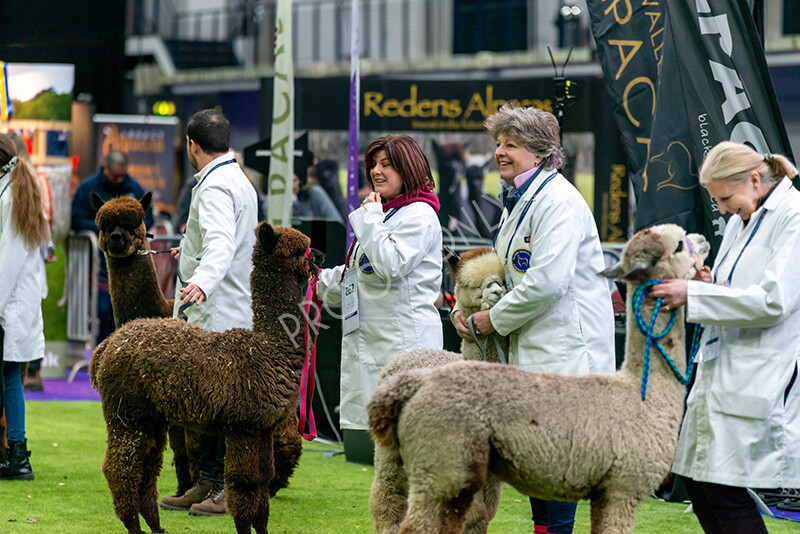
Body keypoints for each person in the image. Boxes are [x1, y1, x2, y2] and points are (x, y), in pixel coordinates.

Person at [452, 104, 615, 534]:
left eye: (512, 144)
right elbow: (505, 272)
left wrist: (492, 320)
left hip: (564, 350)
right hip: (536, 347)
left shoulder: (557, 201)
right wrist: (466, 306)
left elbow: (547, 283)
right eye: (499, 144)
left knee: (558, 463)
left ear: (541, 152)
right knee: (539, 462)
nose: (500, 152)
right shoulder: (521, 198)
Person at [650, 141, 800, 534]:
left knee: (723, 490)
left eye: (725, 197)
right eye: (715, 199)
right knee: (699, 487)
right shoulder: (739, 219)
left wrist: (695, 294)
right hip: (721, 364)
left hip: (761, 368)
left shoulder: (793, 217)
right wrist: (709, 281)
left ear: (754, 179)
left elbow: (773, 300)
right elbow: (737, 285)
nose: (720, 209)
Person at [316, 134, 443, 455]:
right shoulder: (386, 213)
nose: (376, 171)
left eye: (387, 165)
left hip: (403, 349)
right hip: (373, 347)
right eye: (373, 164)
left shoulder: (418, 215)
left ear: (409, 168)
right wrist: (312, 281)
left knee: (404, 458)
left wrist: (370, 219)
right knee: (372, 462)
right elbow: (358, 276)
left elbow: (390, 265)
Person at [159, 109, 258, 516]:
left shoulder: (215, 186)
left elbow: (219, 244)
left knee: (220, 407)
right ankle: (208, 481)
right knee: (216, 407)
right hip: (232, 306)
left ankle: (223, 488)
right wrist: (192, 255)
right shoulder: (238, 179)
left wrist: (200, 281)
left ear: (191, 145)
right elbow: (226, 242)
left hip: (217, 311)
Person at [0, 133, 49, 480]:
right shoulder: (16, 189)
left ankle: (18, 456)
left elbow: (9, 259)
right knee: (9, 377)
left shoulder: (10, 198)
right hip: (17, 300)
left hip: (12, 302)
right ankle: (13, 453)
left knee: (10, 377)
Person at [70, 150, 153, 345]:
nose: (119, 180)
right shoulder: (87, 188)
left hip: (130, 266)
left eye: (122, 176)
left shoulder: (133, 188)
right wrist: (102, 230)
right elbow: (75, 219)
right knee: (104, 312)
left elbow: (147, 218)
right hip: (98, 266)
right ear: (105, 168)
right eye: (115, 176)